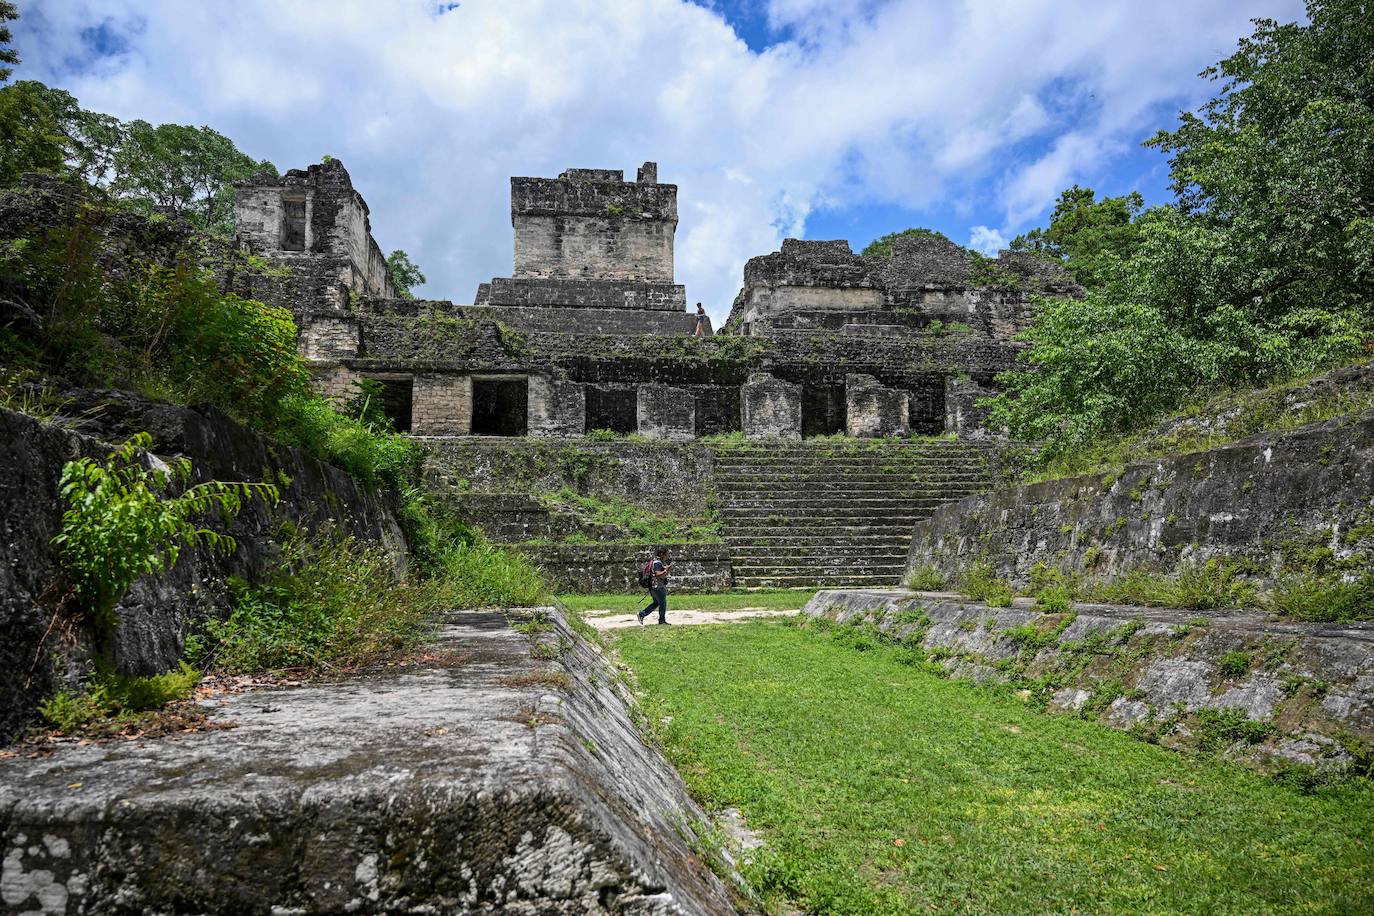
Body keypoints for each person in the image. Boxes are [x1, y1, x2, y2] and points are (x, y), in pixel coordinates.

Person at [637, 546, 672, 625]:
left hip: (653, 586)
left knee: (656, 603)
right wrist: (667, 570)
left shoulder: (655, 562)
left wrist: (666, 569)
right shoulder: (658, 563)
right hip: (658, 586)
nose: (667, 555)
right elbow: (658, 574)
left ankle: (641, 614)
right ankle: (662, 621)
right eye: (666, 554)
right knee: (662, 603)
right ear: (662, 554)